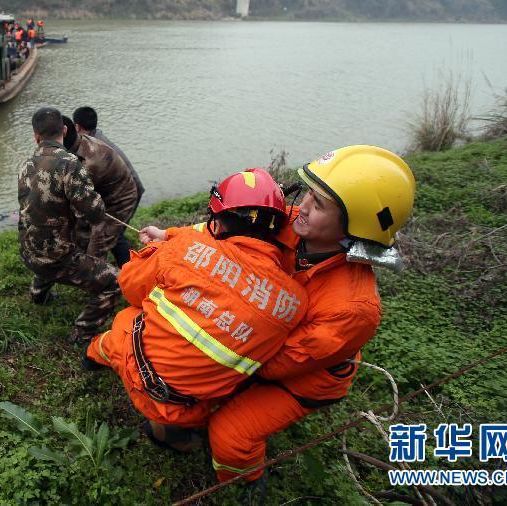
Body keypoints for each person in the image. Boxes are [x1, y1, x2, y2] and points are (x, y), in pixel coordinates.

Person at [205, 146, 416, 484]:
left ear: (353, 227)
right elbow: (229, 229)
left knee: (230, 436)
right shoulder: (291, 225)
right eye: (307, 194)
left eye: (318, 205)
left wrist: (221, 351)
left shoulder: (353, 308)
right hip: (260, 341)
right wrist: (170, 237)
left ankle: (244, 481)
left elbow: (281, 364)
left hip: (303, 376)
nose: (299, 207)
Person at [84, 169, 308, 450]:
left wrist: (162, 257)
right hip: (194, 407)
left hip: (140, 373)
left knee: (127, 321)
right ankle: (173, 435)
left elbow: (131, 286)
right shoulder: (294, 303)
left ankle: (91, 357)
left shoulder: (187, 248)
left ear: (221, 223)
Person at [17, 107, 121, 343]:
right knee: (114, 282)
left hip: (27, 251)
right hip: (56, 259)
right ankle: (82, 332)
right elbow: (95, 214)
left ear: (35, 136)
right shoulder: (71, 164)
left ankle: (38, 295)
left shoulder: (25, 165)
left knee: (46, 235)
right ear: (65, 130)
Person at [72, 106, 145, 266]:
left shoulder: (95, 147)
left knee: (114, 234)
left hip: (129, 194)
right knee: (109, 233)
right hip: (125, 190)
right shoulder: (95, 138)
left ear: (77, 127)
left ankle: (129, 273)